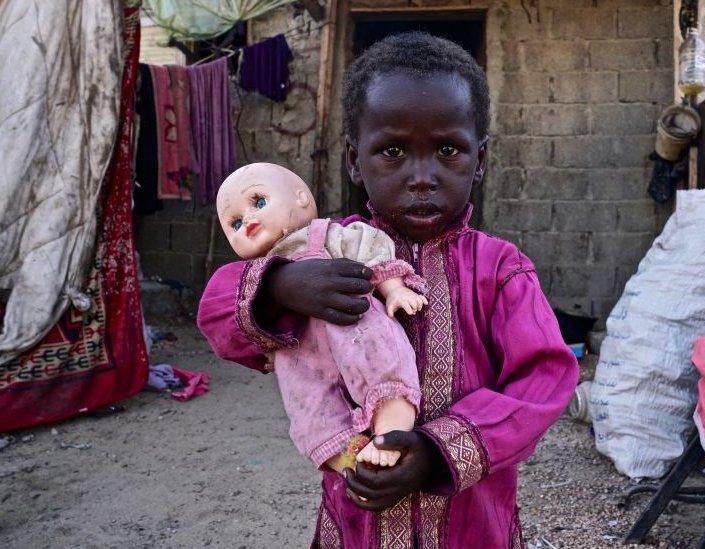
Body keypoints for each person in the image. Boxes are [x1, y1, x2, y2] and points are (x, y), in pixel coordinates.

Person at [197, 31, 578, 548]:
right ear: (355, 160)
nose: (422, 176)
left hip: (472, 522)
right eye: (392, 151)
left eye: (448, 150)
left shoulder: (501, 269)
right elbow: (218, 317)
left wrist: (441, 451)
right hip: (358, 519)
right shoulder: (321, 253)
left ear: (480, 159)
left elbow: (544, 379)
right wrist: (282, 286)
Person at [214, 162, 428, 468]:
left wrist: (394, 289)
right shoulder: (254, 276)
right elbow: (234, 315)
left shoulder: (331, 235)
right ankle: (352, 465)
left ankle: (390, 432)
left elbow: (371, 253)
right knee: (309, 405)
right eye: (234, 223)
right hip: (302, 354)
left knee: (381, 363)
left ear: (301, 198)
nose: (248, 220)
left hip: (353, 327)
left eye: (258, 202)